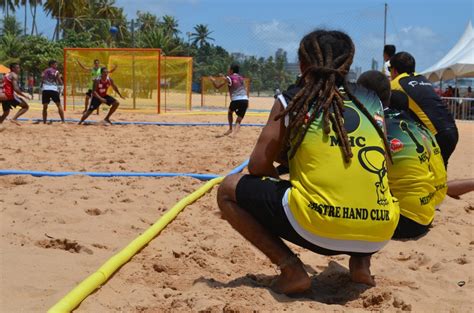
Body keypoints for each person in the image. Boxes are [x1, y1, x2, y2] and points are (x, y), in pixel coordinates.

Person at [217, 30, 399, 295]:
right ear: (348, 65)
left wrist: (280, 186)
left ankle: (291, 269)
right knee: (364, 181)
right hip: (379, 232)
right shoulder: (371, 101)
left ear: (302, 65)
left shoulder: (292, 98)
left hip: (316, 227)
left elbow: (257, 166)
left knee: (227, 189)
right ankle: (361, 266)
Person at [358, 71, 447, 239]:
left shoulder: (373, 126)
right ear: (389, 94)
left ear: (363, 95)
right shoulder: (412, 124)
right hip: (426, 213)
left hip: (403, 220)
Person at [390, 52, 458, 167]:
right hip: (452, 131)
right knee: (439, 174)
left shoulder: (396, 84)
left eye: (389, 68)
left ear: (395, 70)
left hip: (437, 136)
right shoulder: (423, 79)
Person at [209, 64, 249, 136]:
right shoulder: (241, 78)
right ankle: (234, 134)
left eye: (229, 69)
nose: (228, 70)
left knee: (230, 112)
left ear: (231, 70)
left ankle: (230, 129)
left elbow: (218, 86)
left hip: (236, 99)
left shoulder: (229, 77)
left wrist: (213, 80)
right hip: (245, 100)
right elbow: (244, 88)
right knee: (239, 120)